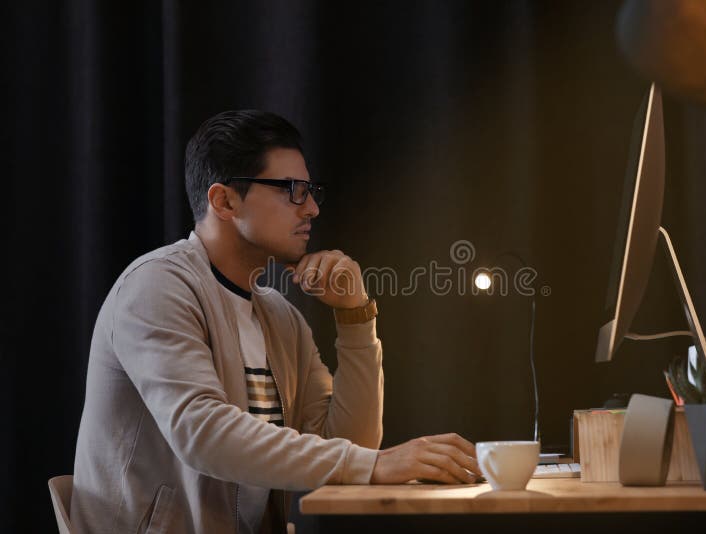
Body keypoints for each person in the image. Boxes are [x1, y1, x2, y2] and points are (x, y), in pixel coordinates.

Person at [70, 110, 481, 533]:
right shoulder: (156, 286)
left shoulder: (279, 316)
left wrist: (354, 316)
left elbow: (348, 448)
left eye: (311, 190)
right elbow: (202, 432)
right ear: (224, 201)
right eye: (294, 191)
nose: (314, 209)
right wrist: (373, 465)